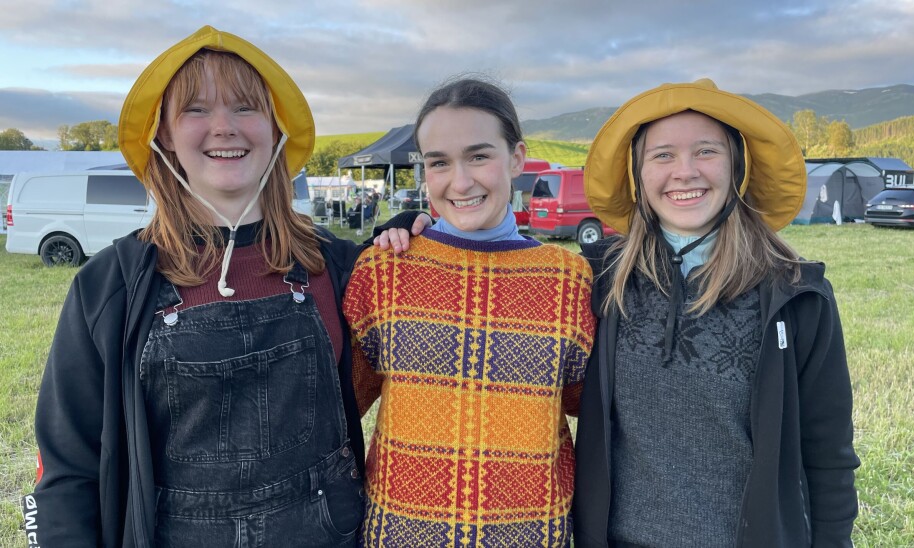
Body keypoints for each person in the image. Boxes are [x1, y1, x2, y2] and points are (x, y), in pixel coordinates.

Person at [22, 25, 426, 547]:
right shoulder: (110, 288)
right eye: (195, 110)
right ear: (162, 136)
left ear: (275, 129)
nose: (224, 127)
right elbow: (67, 467)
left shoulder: (341, 266)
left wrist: (423, 238)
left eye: (244, 108)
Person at [572, 79, 860, 547]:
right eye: (662, 155)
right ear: (637, 176)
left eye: (706, 152)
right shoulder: (600, 279)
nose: (685, 172)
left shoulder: (796, 296)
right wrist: (416, 233)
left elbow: (828, 455)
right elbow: (504, 271)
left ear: (738, 167)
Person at [343, 77, 596, 547]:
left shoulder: (569, 278)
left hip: (531, 532)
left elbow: (591, 406)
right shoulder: (383, 270)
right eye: (439, 163)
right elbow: (340, 408)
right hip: (402, 532)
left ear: (516, 159)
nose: (460, 182)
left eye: (479, 156)